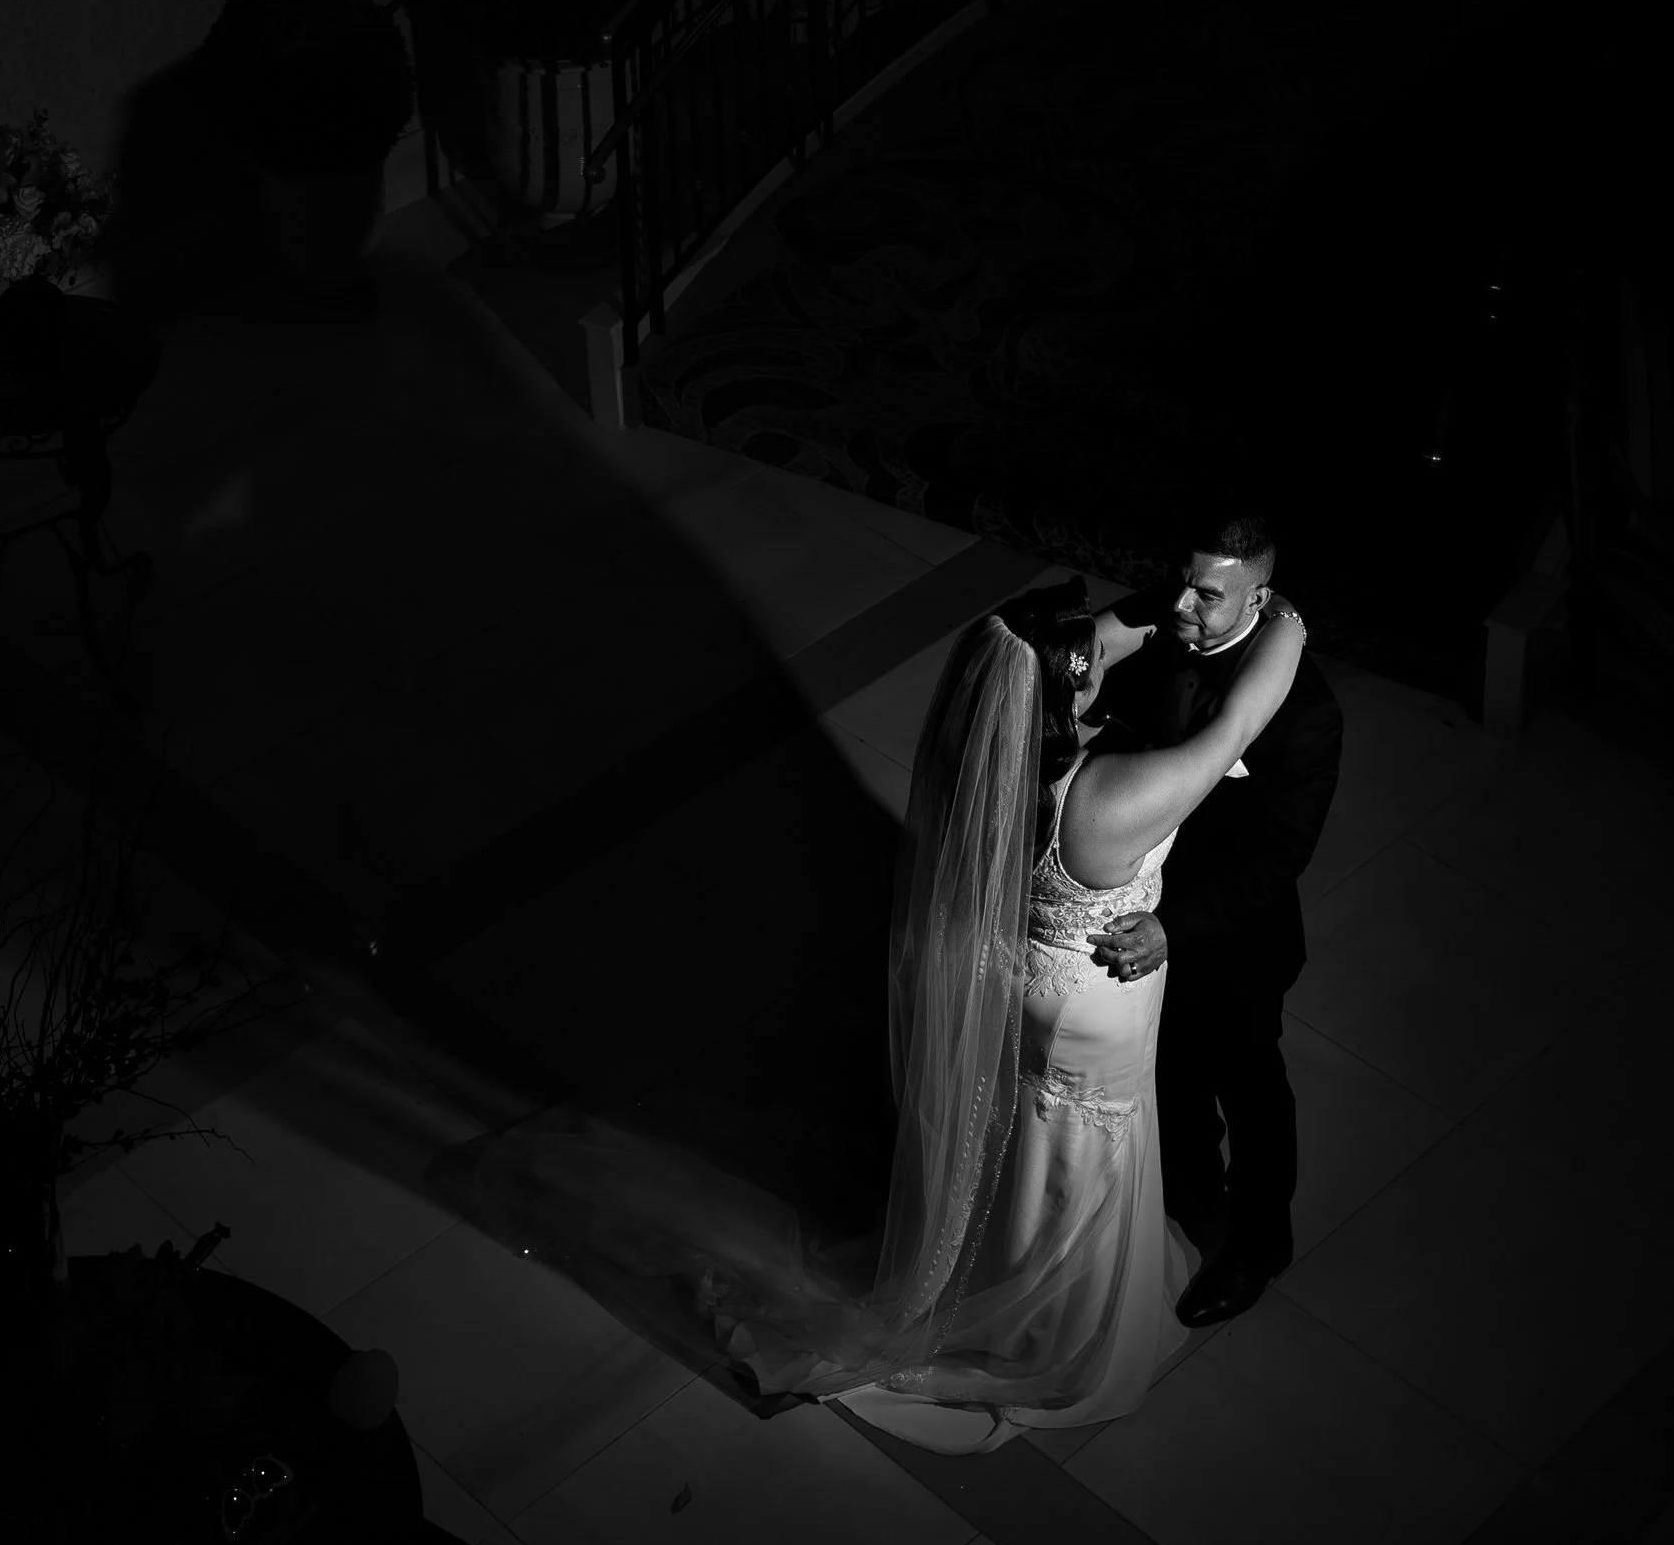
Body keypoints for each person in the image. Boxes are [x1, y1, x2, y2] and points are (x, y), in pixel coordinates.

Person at [421, 568, 1310, 1449]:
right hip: (1093, 1007)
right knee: (1089, 1157)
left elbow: (1083, 646)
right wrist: (1289, 621)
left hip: (1027, 982)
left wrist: (1169, 600)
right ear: (1070, 679)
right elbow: (1236, 721)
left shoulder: (993, 760)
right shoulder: (1110, 796)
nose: (1108, 644)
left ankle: (1007, 1273)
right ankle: (1059, 1329)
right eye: (1086, 652)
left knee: (1038, 1144)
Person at [1087, 507, 1345, 1326]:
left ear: (1260, 599)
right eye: (1183, 585)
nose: (1184, 608)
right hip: (1134, 900)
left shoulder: (1305, 714)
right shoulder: (1169, 624)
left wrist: (1172, 928)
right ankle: (1182, 1186)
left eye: (1208, 596)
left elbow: (1278, 858)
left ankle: (1261, 1240)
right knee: (1165, 1070)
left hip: (1231, 938)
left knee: (1251, 1088)